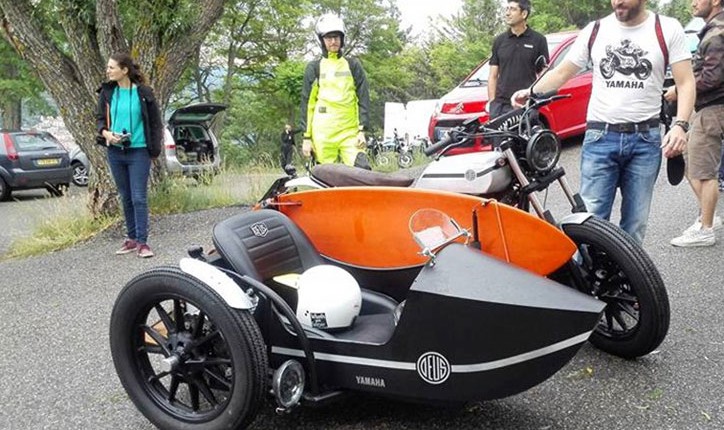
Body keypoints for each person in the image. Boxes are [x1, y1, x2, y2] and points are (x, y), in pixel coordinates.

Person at [511, 0, 696, 245]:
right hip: (600, 137)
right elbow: (563, 72)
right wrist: (531, 92)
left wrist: (681, 125)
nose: (617, 1)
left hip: (645, 139)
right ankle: (589, 270)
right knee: (591, 221)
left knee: (635, 224)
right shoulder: (595, 30)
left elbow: (686, 82)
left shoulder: (667, 28)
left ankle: (626, 270)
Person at [96, 52, 163, 258]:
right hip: (115, 152)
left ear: (124, 70)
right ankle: (132, 239)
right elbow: (99, 120)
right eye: (108, 67)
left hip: (139, 151)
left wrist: (154, 150)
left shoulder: (144, 93)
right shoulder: (107, 92)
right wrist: (107, 134)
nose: (108, 71)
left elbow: (155, 123)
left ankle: (143, 242)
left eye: (111, 67)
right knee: (125, 197)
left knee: (138, 197)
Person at [670, 0, 724, 247]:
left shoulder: (717, 32)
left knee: (702, 170)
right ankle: (708, 216)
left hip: (713, 109)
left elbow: (712, 77)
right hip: (707, 108)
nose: (693, 3)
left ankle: (705, 229)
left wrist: (680, 90)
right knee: (688, 158)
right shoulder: (713, 29)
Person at [299, 13, 371, 169]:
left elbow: (363, 98)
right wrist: (306, 138)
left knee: (363, 172)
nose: (333, 41)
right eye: (329, 38)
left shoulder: (353, 65)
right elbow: (307, 104)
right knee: (324, 178)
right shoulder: (314, 67)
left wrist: (362, 130)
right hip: (323, 134)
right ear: (322, 40)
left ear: (342, 39)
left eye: (336, 37)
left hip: (350, 132)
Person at [486, 0, 549, 119]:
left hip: (525, 104)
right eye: (507, 9)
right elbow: (493, 75)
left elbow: (543, 73)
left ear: (524, 14)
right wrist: (492, 103)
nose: (507, 13)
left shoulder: (538, 40)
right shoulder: (499, 41)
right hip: (500, 106)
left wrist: (535, 98)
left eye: (513, 9)